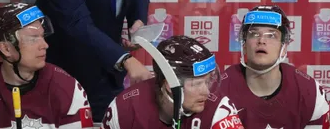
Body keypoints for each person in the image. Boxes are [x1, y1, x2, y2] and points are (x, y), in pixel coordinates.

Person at [0, 3, 94, 128]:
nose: (45, 45)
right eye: (33, 39)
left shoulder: (66, 86)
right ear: (6, 49)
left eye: (42, 37)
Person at [220, 5, 330, 128]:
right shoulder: (218, 89)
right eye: (254, 34)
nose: (261, 40)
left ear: (284, 48)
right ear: (244, 45)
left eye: (271, 35)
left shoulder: (310, 92)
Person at [101, 36, 244, 129]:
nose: (206, 92)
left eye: (208, 81)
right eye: (196, 84)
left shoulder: (221, 110)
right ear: (169, 84)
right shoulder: (124, 108)